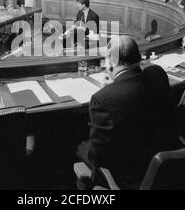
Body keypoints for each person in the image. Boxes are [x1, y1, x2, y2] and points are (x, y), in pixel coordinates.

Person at [76, 36, 178, 189]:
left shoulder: (102, 98)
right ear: (137, 57)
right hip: (166, 164)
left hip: (130, 178)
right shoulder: (157, 73)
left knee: (78, 146)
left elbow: (97, 158)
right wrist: (117, 84)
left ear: (111, 62)